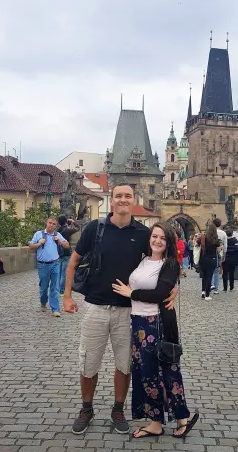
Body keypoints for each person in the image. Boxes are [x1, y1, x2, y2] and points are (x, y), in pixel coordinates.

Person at [62, 184, 177, 435]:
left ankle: (118, 409)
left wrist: (174, 286)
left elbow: (164, 260)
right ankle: (86, 408)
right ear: (111, 201)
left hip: (129, 311)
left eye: (127, 196)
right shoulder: (96, 228)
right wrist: (67, 295)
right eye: (118, 196)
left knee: (124, 365)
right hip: (95, 307)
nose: (123, 200)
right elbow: (73, 262)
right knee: (88, 363)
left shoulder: (144, 233)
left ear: (134, 200)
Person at [112, 222, 199, 438]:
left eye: (162, 238)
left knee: (167, 371)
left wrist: (131, 293)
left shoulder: (169, 264)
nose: (157, 241)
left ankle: (181, 418)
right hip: (139, 322)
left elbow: (160, 293)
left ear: (168, 242)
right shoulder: (142, 259)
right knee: (147, 374)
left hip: (157, 323)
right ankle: (157, 422)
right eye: (154, 236)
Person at [28, 217, 70, 317]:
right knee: (43, 287)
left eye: (54, 224)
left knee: (55, 287)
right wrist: (39, 243)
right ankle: (43, 302)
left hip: (55, 263)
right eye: (50, 223)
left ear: (56, 226)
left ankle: (55, 309)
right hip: (42, 265)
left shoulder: (57, 235)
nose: (51, 225)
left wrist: (59, 241)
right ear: (46, 223)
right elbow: (30, 245)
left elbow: (67, 245)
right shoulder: (38, 234)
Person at [57, 215, 80, 296]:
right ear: (65, 221)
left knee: (59, 272)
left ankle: (57, 288)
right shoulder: (67, 231)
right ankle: (61, 291)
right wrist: (73, 222)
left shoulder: (58, 230)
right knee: (63, 273)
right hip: (66, 253)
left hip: (58, 253)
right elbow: (77, 228)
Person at [200, 224, 221, 301]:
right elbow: (219, 251)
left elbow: (196, 244)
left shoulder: (203, 237)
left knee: (204, 276)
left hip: (204, 259)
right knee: (209, 276)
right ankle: (207, 295)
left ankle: (203, 291)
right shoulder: (216, 239)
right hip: (212, 259)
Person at [211, 218, 227, 295]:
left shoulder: (210, 233)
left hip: (211, 254)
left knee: (210, 271)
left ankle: (210, 286)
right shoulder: (223, 233)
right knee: (216, 271)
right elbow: (225, 246)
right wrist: (224, 255)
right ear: (220, 225)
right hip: (219, 254)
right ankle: (216, 289)